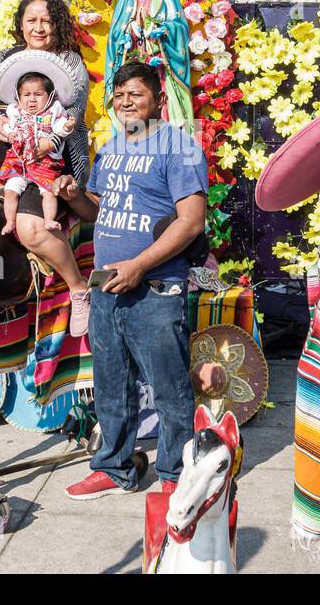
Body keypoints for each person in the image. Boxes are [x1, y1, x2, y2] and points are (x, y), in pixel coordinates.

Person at [55, 61, 208, 500]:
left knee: (169, 388)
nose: (125, 102)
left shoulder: (178, 147)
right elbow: (97, 210)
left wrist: (139, 265)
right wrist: (75, 196)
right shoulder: (111, 147)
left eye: (135, 94)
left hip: (156, 289)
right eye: (119, 95)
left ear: (158, 100)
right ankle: (113, 469)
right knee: (111, 384)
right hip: (106, 285)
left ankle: (177, 475)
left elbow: (191, 222)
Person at [0, 0, 92, 334]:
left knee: (30, 229)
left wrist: (46, 141)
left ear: (58, 25)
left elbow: (73, 112)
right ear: (20, 24)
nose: (39, 28)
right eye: (31, 20)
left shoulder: (69, 63)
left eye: (47, 21)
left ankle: (79, 288)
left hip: (47, 163)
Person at [105, 0, 194, 135]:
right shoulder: (127, 0)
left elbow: (181, 30)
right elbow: (114, 38)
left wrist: (162, 30)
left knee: (160, 108)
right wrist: (129, 29)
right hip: (133, 64)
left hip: (160, 68)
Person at [0, 66, 77, 235]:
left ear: (49, 96)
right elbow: (8, 126)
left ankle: (49, 220)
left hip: (45, 163)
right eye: (26, 95)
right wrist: (10, 133)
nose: (32, 100)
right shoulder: (15, 112)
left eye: (38, 94)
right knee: (10, 191)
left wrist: (67, 126)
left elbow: (59, 129)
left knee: (48, 193)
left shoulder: (53, 112)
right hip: (19, 162)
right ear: (19, 97)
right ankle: (10, 222)